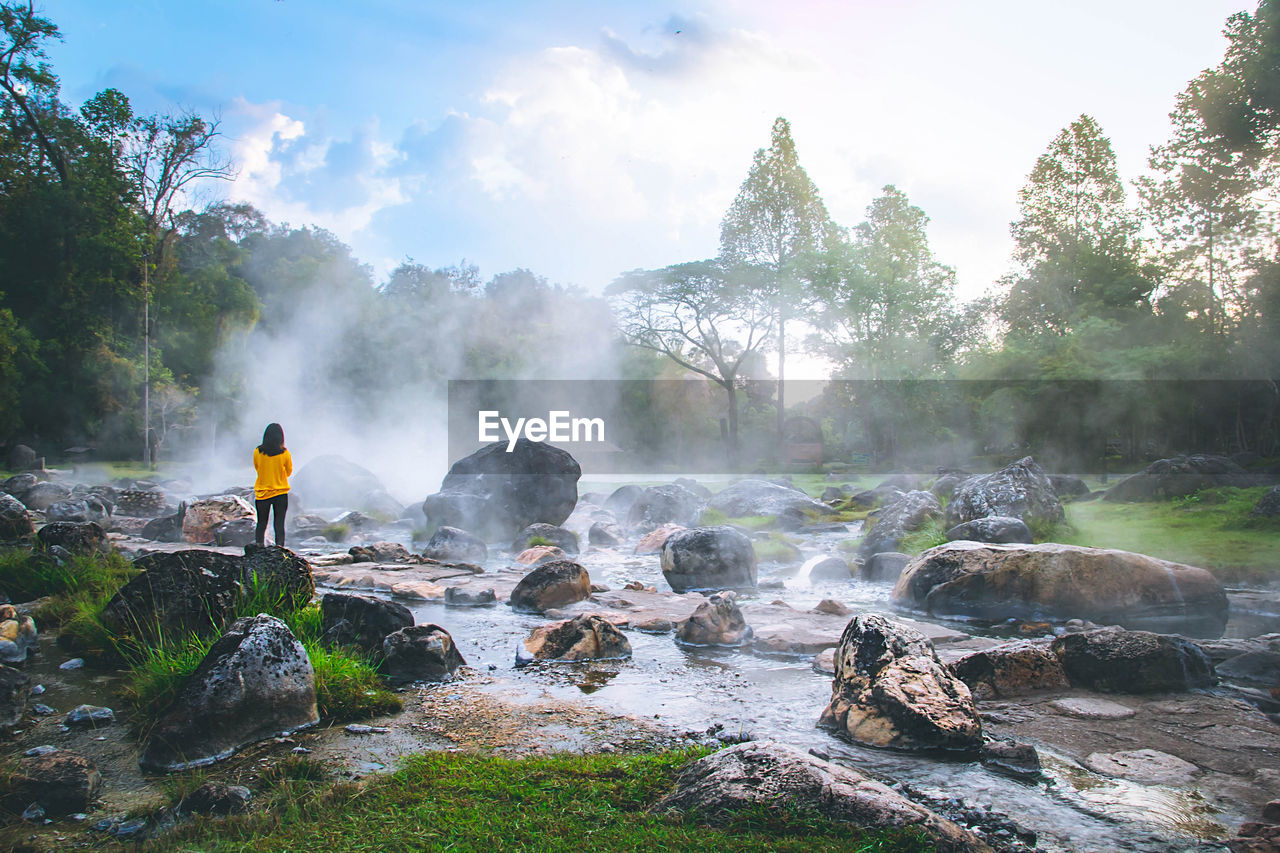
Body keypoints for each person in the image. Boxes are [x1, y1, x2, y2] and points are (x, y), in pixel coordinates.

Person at [253, 422, 292, 546]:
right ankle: (280, 549)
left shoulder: (257, 452)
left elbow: (257, 468)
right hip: (280, 493)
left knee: (261, 523)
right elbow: (289, 472)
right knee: (279, 524)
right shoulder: (285, 453)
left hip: (262, 493)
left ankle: (259, 547)